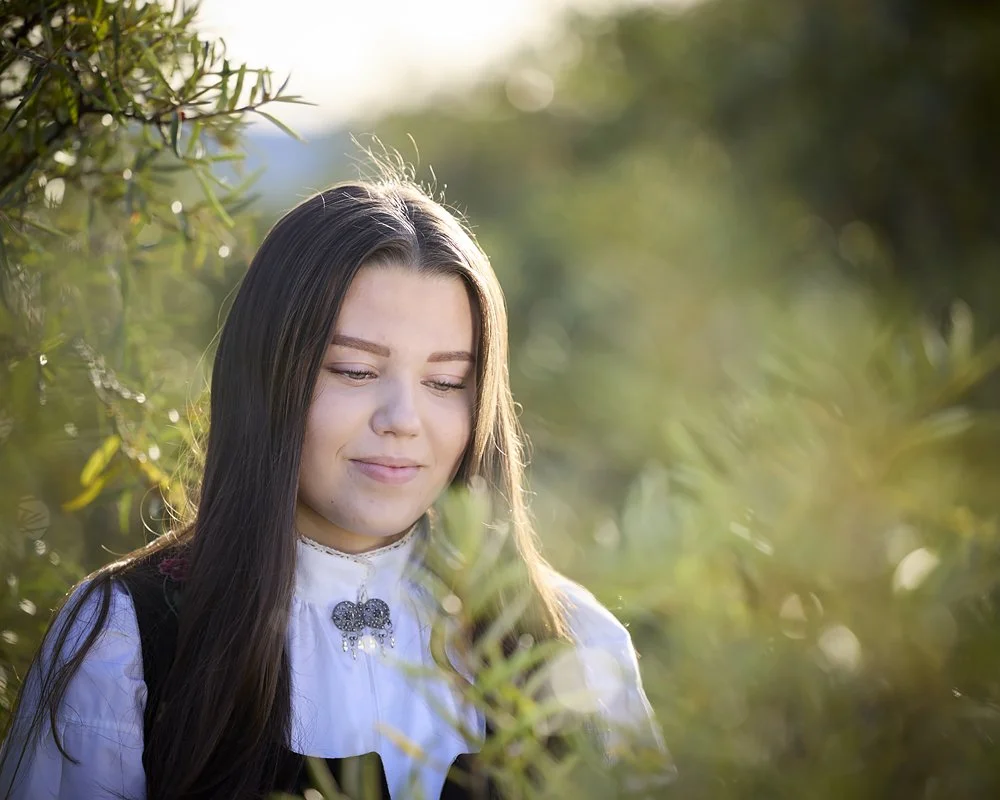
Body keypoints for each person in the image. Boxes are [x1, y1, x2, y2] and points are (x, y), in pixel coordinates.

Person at [0, 179, 669, 799]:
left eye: (445, 383)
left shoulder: (573, 644)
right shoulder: (127, 637)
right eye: (354, 370)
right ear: (268, 376)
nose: (402, 420)